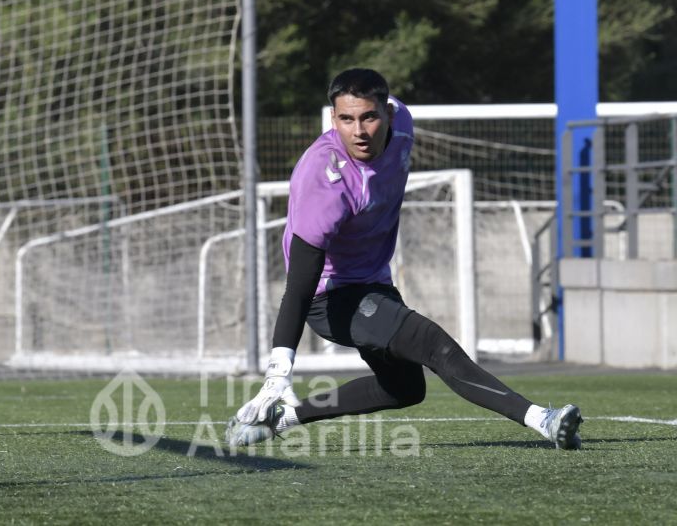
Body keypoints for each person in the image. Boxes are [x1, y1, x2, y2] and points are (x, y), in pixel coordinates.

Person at [226, 68, 583, 450]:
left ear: (390, 114)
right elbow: (299, 283)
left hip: (374, 283)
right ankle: (541, 419)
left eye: (369, 116)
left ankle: (285, 417)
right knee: (432, 343)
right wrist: (278, 372)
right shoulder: (323, 181)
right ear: (333, 119)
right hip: (329, 297)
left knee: (404, 390)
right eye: (346, 119)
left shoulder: (404, 126)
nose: (359, 131)